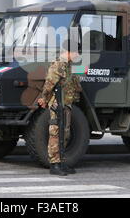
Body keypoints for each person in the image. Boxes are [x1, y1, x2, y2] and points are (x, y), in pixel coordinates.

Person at [37, 39, 82, 176]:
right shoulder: (58, 65)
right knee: (56, 134)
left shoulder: (68, 65)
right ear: (69, 51)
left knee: (65, 134)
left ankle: (62, 162)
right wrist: (44, 98)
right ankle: (54, 164)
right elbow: (49, 84)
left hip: (66, 104)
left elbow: (73, 84)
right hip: (58, 104)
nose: (77, 55)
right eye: (76, 52)